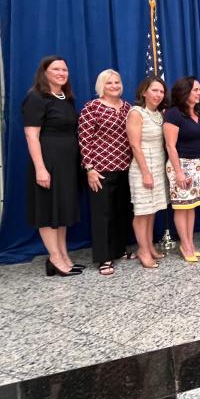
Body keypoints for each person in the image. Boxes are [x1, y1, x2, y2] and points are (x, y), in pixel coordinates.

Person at [22, 56, 82, 276]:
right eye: (56, 69)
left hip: (67, 163)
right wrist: (40, 168)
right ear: (44, 72)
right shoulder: (36, 98)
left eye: (64, 69)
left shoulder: (67, 99)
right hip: (48, 161)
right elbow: (31, 135)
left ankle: (63, 254)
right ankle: (54, 257)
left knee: (62, 208)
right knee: (48, 210)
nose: (61, 72)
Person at [78, 69, 133, 276]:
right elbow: (85, 140)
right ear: (102, 86)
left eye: (117, 82)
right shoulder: (92, 108)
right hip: (101, 170)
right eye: (109, 83)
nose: (114, 86)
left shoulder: (127, 107)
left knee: (121, 211)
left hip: (125, 167)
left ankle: (119, 250)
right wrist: (90, 168)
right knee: (102, 215)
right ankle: (104, 257)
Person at [164, 76, 200, 263]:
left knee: (191, 207)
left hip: (198, 164)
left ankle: (190, 243)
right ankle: (185, 245)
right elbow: (170, 146)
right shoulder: (173, 114)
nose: (199, 93)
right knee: (182, 208)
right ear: (185, 92)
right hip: (180, 164)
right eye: (195, 90)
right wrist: (179, 172)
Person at [127, 76, 168, 269]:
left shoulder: (160, 114)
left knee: (152, 211)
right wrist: (145, 172)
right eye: (154, 90)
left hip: (158, 165)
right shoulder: (136, 113)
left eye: (161, 91)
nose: (158, 94)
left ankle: (149, 245)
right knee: (142, 212)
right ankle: (142, 250)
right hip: (143, 167)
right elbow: (135, 145)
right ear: (144, 92)